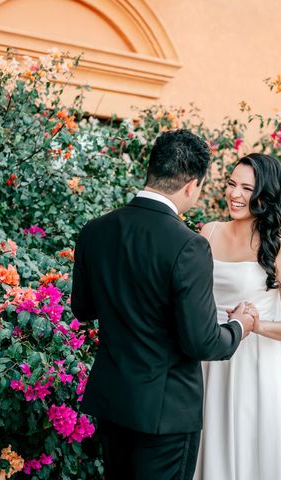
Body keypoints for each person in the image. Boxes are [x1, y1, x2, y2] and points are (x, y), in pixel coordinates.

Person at [71, 129, 256, 480]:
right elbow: (201, 341)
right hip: (165, 414)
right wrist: (239, 327)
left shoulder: (95, 231)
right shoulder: (189, 246)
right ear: (191, 185)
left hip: (113, 404)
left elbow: (83, 310)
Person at [194, 153, 281, 480]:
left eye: (247, 187)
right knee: (209, 447)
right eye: (231, 184)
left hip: (258, 365)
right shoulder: (209, 232)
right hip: (211, 359)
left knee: (253, 452)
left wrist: (256, 325)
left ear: (266, 195)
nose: (235, 194)